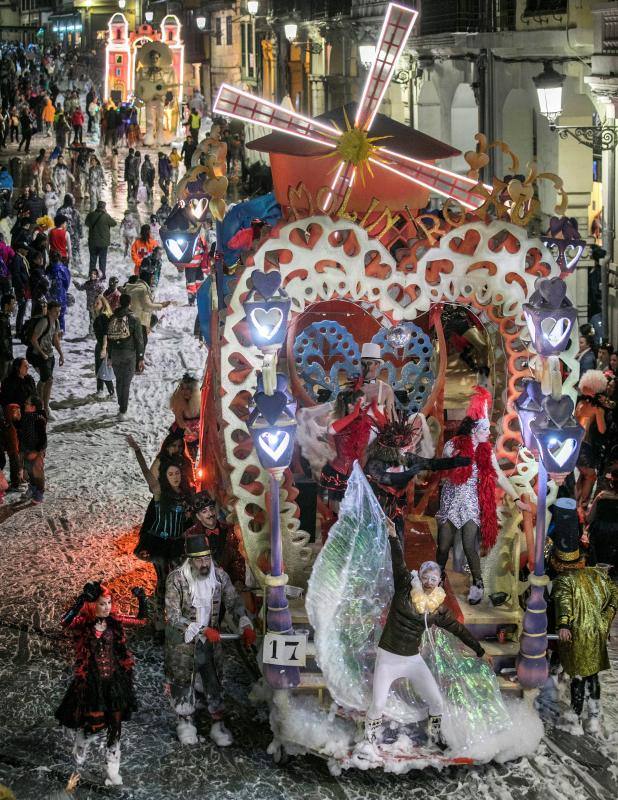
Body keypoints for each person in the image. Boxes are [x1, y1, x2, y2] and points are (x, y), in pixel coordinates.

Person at [364, 518, 485, 749]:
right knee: (378, 704)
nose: (429, 582)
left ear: (439, 582)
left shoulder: (437, 608)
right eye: (426, 577)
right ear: (420, 576)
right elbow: (397, 561)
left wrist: (480, 650)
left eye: (434, 579)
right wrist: (392, 535)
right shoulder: (405, 586)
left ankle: (434, 734)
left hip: (412, 659)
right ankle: (369, 737)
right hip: (388, 656)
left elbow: (458, 629)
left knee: (437, 701)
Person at [435, 386, 528, 604]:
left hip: (471, 503)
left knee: (470, 545)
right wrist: (455, 463)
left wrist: (516, 498)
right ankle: (436, 578)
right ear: (475, 429)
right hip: (450, 500)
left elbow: (499, 477)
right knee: (443, 545)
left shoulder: (487, 451)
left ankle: (478, 583)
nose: (489, 433)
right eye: (486, 429)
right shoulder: (453, 445)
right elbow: (442, 468)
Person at [164, 532, 255, 746]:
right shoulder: (176, 579)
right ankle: (185, 721)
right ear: (190, 560)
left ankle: (217, 724)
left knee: (213, 680)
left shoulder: (219, 576)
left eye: (207, 558)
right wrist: (202, 630)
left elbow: (233, 601)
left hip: (210, 643)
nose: (204, 563)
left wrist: (244, 621)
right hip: (184, 643)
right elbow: (173, 616)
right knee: (183, 681)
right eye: (199, 559)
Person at [55, 581, 145, 786]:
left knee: (115, 727)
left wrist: (141, 599)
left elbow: (141, 621)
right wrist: (80, 601)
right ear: (93, 605)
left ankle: (112, 770)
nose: (108, 607)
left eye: (109, 603)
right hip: (92, 686)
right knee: (91, 728)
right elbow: (65, 622)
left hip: (114, 684)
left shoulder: (114, 622)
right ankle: (79, 754)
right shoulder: (82, 624)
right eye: (103, 603)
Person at [550, 499, 618, 734]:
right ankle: (594, 717)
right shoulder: (597, 578)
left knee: (579, 676)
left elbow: (564, 605)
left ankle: (575, 717)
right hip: (595, 630)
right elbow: (612, 599)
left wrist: (563, 624)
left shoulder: (563, 583)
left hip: (578, 632)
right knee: (592, 676)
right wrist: (604, 623)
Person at [127, 434, 193, 636]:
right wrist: (138, 451)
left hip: (177, 545)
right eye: (171, 474)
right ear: (165, 476)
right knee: (163, 581)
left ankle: (176, 617)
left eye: (177, 474)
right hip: (160, 545)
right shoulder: (159, 492)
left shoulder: (186, 496)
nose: (175, 477)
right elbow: (147, 474)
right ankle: (158, 621)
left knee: (180, 581)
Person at [184, 492, 244, 584]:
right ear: (198, 516)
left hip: (231, 582)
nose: (210, 513)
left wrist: (238, 580)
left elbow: (238, 558)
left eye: (211, 509)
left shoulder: (229, 530)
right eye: (204, 511)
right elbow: (192, 565)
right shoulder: (192, 534)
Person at [101, 293, 144, 420]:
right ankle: (123, 410)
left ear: (119, 302)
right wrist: (140, 357)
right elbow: (139, 340)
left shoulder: (113, 317)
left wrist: (109, 356)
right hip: (129, 354)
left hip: (115, 354)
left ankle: (121, 407)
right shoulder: (134, 319)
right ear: (130, 303)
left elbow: (109, 338)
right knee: (126, 382)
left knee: (119, 381)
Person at [575, 370, 608, 513]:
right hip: (584, 446)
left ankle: (578, 504)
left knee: (581, 475)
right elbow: (602, 430)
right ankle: (581, 505)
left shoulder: (581, 403)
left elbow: (601, 430)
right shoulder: (591, 407)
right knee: (589, 475)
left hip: (575, 444)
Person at [28, 300, 64, 417]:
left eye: (59, 311)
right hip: (37, 354)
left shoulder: (56, 322)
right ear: (49, 311)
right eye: (55, 311)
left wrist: (61, 354)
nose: (58, 313)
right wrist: (42, 353)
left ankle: (42, 403)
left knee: (46, 380)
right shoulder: (44, 322)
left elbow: (55, 339)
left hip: (49, 355)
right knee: (48, 379)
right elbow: (33, 339)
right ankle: (44, 407)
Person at [122, 270, 170, 354]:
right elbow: (147, 306)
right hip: (140, 321)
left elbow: (145, 303)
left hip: (132, 319)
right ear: (147, 279)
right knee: (141, 343)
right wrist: (161, 306)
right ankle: (138, 362)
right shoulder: (142, 289)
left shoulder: (137, 286)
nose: (153, 281)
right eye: (152, 279)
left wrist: (160, 304)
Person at [18, 393, 46, 502]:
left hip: (36, 451)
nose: (24, 404)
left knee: (37, 473)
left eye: (27, 403)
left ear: (33, 407)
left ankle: (39, 492)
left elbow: (43, 439)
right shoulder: (26, 417)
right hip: (27, 450)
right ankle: (32, 488)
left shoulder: (39, 419)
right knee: (29, 471)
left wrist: (37, 452)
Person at [169, 373, 201, 459]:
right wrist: (187, 432)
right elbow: (180, 422)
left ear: (194, 391)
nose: (185, 391)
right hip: (183, 431)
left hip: (199, 433)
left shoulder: (201, 403)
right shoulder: (178, 402)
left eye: (188, 389)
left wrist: (198, 433)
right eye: (182, 388)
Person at [84, 200, 117, 278]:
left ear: (97, 206)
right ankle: (102, 277)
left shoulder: (91, 215)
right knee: (102, 260)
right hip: (103, 243)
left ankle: (91, 276)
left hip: (92, 242)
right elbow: (114, 223)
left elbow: (86, 223)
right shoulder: (106, 216)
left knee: (93, 260)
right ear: (104, 207)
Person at [92, 294, 114, 398]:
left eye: (97, 303)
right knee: (102, 369)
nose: (95, 305)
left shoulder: (102, 317)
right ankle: (101, 391)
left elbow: (105, 334)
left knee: (102, 370)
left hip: (103, 345)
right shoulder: (105, 316)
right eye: (94, 303)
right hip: (103, 345)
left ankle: (109, 392)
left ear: (103, 304)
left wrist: (104, 348)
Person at [46, 251, 71, 334]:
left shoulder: (49, 268)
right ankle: (61, 332)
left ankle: (51, 332)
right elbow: (67, 282)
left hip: (51, 295)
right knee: (61, 314)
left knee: (51, 314)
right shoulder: (64, 269)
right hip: (61, 294)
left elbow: (46, 282)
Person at [75, 267, 104, 336]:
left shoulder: (99, 284)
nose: (92, 275)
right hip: (90, 305)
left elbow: (102, 294)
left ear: (98, 276)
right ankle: (92, 332)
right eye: (91, 273)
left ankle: (94, 333)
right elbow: (81, 288)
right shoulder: (88, 283)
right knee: (92, 318)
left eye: (94, 274)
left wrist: (98, 300)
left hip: (96, 305)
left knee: (95, 319)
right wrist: (76, 284)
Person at [57, 193, 82, 271]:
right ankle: (77, 268)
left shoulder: (60, 210)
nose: (74, 200)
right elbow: (79, 224)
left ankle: (64, 267)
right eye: (73, 199)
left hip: (63, 234)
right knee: (75, 251)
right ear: (70, 200)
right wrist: (81, 234)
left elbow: (57, 223)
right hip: (74, 234)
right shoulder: (75, 211)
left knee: (63, 250)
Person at [1, 403, 21, 492]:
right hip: (11, 447)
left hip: (13, 446)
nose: (18, 414)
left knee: (16, 462)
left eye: (18, 412)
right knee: (14, 462)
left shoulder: (14, 424)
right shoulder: (9, 425)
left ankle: (16, 482)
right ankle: (15, 484)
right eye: (15, 412)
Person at [0, 293, 15, 381]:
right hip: (3, 356)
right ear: (6, 305)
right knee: (4, 378)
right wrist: (8, 353)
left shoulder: (5, 318)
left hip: (5, 355)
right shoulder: (2, 320)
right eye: (12, 304)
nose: (14, 306)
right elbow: (2, 339)